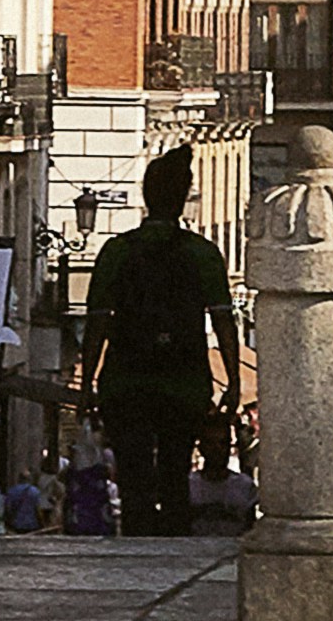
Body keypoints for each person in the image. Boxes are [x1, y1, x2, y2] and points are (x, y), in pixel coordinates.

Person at [77, 145, 244, 535]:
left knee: (133, 479)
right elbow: (224, 322)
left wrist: (87, 384)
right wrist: (233, 381)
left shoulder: (116, 251)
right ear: (183, 199)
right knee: (175, 473)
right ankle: (172, 548)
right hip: (184, 384)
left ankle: (137, 547)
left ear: (145, 196)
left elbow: (97, 324)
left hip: (125, 382)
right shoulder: (203, 254)